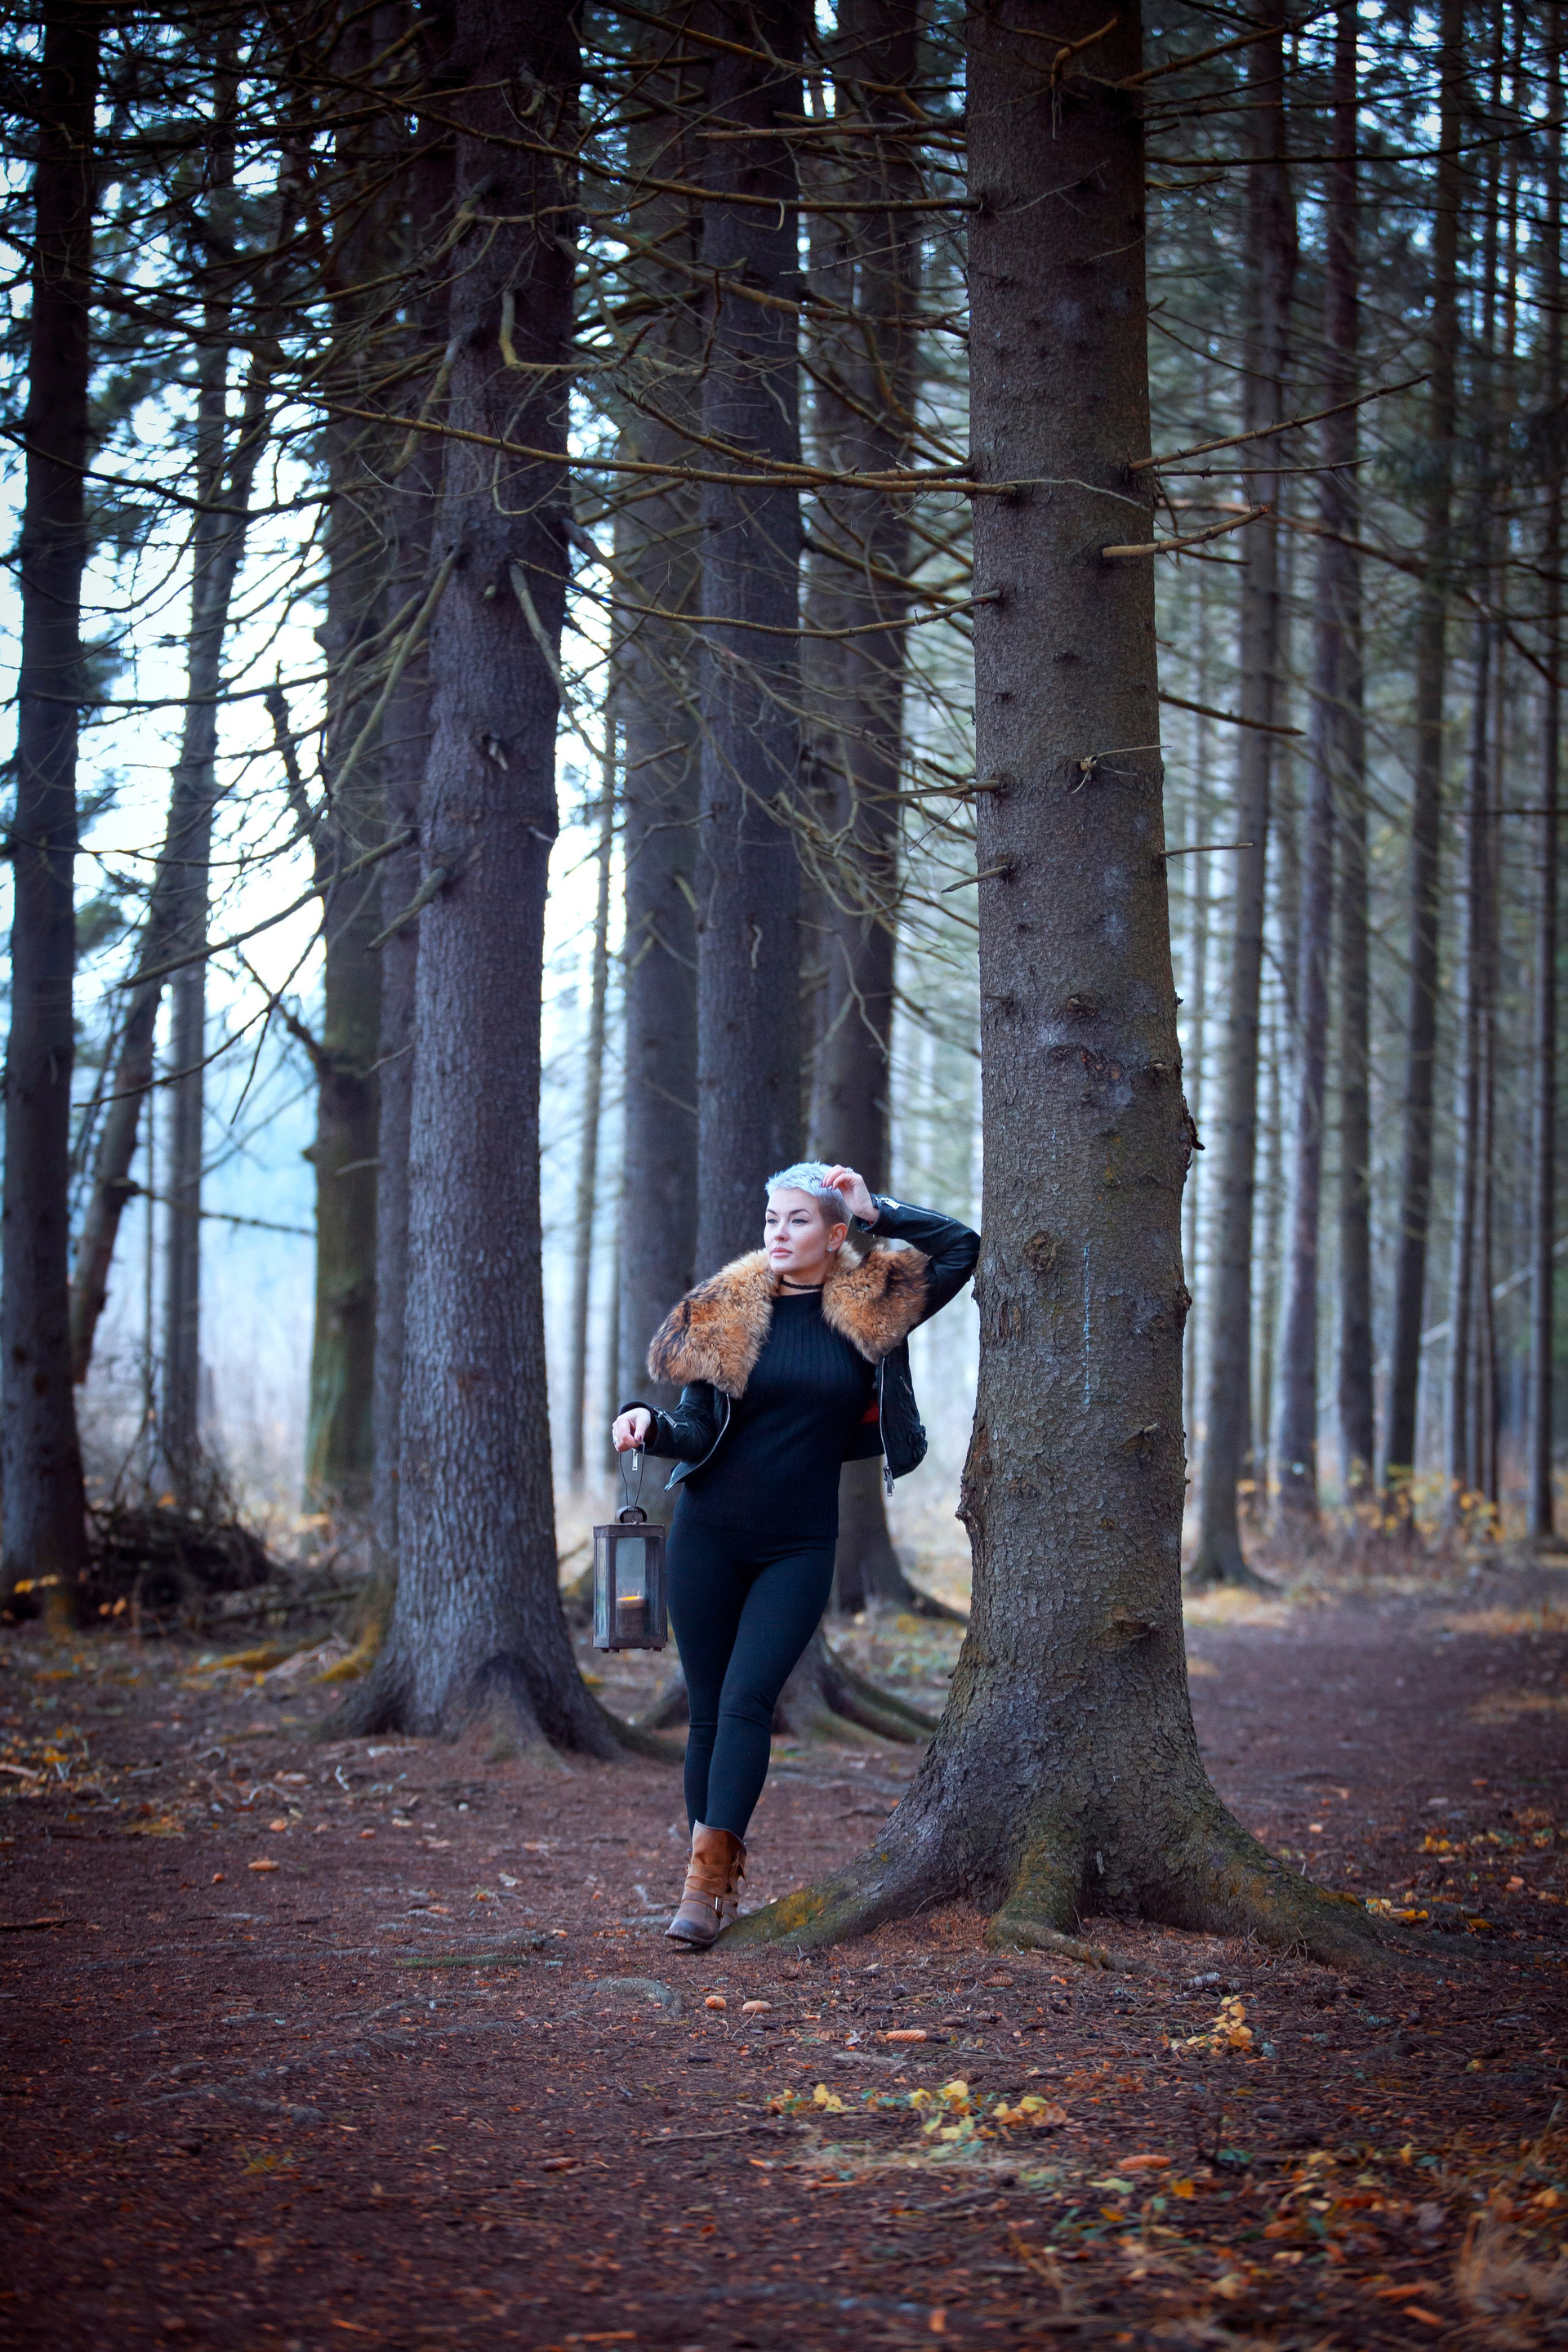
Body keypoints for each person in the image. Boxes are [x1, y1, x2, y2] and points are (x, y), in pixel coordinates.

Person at [612, 1162, 979, 1948]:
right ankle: (707, 1884)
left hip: (800, 1544)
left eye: (798, 1220)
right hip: (707, 1535)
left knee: (748, 1701)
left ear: (835, 1234)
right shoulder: (726, 1307)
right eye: (771, 1219)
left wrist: (877, 1209)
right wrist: (649, 1422)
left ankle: (706, 1885)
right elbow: (697, 1426)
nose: (778, 1234)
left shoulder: (874, 1301)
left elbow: (961, 1248)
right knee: (708, 1710)